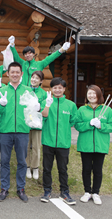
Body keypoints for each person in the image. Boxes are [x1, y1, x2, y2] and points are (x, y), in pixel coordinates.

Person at [0, 61, 35, 202]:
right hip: (5, 131)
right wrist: (1, 104)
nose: (15, 74)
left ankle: (20, 188)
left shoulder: (28, 91)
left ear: (21, 74)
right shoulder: (1, 91)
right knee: (5, 160)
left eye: (18, 72)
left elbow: (33, 111)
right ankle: (4, 188)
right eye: (12, 72)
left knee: (22, 161)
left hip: (22, 131)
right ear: (8, 74)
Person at [74, 85, 112, 205]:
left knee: (98, 170)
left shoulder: (107, 109)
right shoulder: (82, 109)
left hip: (100, 145)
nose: (91, 96)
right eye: (89, 93)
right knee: (86, 169)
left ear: (99, 95)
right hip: (85, 144)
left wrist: (100, 126)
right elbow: (77, 125)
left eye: (94, 93)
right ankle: (87, 192)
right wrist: (88, 124)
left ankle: (96, 193)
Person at [40, 77, 79, 205]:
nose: (57, 90)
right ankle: (47, 191)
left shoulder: (71, 105)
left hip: (63, 142)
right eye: (54, 87)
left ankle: (65, 192)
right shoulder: (46, 102)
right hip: (48, 141)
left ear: (64, 89)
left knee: (63, 168)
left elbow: (73, 120)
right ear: (51, 89)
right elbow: (43, 116)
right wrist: (47, 104)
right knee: (47, 168)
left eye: (60, 87)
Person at [25, 71, 48, 180]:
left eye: (37, 78)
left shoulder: (43, 93)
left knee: (36, 147)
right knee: (25, 146)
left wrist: (39, 107)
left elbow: (44, 108)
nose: (33, 80)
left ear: (41, 81)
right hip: (26, 123)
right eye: (32, 77)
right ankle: (26, 166)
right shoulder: (26, 90)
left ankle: (35, 167)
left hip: (37, 124)